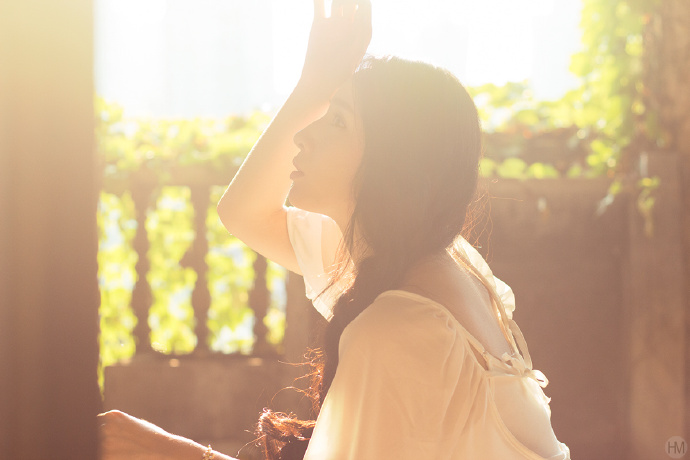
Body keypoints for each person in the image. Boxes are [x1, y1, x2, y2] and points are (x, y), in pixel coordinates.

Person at [99, 1, 571, 459]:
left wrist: (167, 452)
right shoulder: (422, 262)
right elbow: (244, 213)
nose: (305, 135)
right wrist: (314, 85)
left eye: (337, 121)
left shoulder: (399, 325)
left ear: (393, 163)